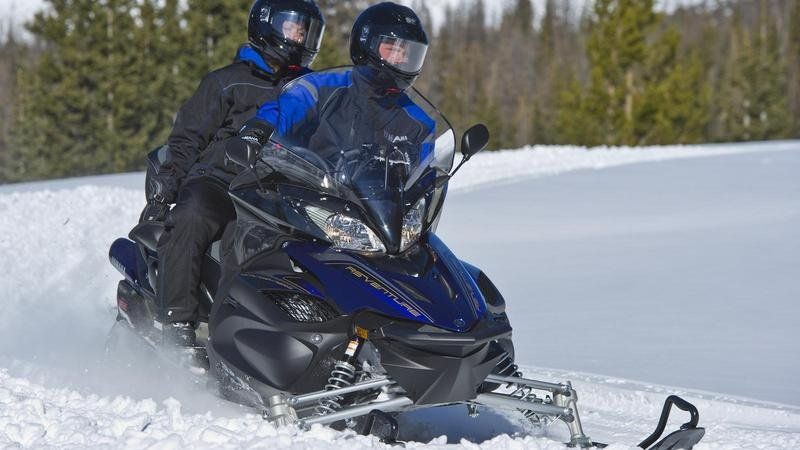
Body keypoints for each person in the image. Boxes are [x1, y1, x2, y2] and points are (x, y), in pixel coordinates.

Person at [140, 0, 325, 348]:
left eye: (306, 31)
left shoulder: (311, 90)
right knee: (194, 216)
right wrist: (165, 191)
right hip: (219, 182)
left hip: (278, 190)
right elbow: (186, 140)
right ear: (266, 25)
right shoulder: (225, 82)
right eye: (293, 28)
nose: (299, 38)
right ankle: (178, 325)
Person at [231, 1, 433, 173]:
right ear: (366, 43)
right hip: (310, 197)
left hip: (376, 213)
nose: (401, 58)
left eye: (409, 53)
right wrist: (259, 131)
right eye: (392, 49)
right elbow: (285, 110)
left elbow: (425, 179)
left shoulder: (419, 122)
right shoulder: (321, 87)